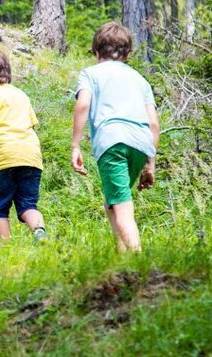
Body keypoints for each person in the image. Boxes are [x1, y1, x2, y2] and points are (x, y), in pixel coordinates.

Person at [71, 22, 160, 252]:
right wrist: (150, 163)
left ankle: (139, 263)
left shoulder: (90, 74)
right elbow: (154, 123)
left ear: (96, 52)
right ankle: (121, 259)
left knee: (122, 209)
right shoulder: (141, 80)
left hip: (112, 142)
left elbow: (82, 105)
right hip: (141, 144)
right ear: (128, 54)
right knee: (113, 203)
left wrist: (75, 146)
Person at [0, 46, 48, 243]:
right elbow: (31, 125)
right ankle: (39, 231)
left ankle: (6, 247)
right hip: (31, 156)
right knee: (28, 204)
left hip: (3, 157)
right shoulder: (21, 94)